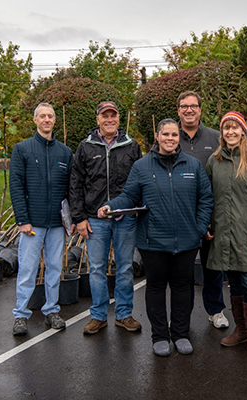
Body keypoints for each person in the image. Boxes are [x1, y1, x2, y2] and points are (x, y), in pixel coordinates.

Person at [98, 119, 213, 357]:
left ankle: (181, 333)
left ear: (178, 137)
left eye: (174, 134)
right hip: (153, 242)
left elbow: (206, 199)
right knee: (156, 288)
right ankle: (160, 336)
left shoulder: (193, 165)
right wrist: (110, 205)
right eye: (166, 134)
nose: (170, 138)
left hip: (187, 241)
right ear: (157, 136)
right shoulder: (142, 167)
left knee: (183, 289)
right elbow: (129, 196)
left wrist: (199, 228)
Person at [70, 101, 143, 335]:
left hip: (124, 218)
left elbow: (140, 182)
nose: (109, 119)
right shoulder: (85, 147)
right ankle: (98, 315)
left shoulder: (132, 146)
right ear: (98, 119)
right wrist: (79, 218)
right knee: (97, 269)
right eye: (105, 116)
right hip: (95, 219)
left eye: (113, 115)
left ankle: (123, 314)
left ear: (119, 119)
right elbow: (76, 185)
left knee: (124, 268)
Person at [205, 111, 247, 355]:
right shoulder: (215, 161)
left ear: (243, 131)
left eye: (235, 128)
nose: (230, 132)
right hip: (224, 234)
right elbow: (210, 197)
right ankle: (241, 331)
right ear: (221, 133)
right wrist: (210, 226)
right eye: (226, 128)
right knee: (234, 284)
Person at [10, 102, 74, 336]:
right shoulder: (23, 149)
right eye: (42, 116)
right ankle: (21, 314)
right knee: (27, 269)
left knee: (55, 267)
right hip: (32, 224)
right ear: (35, 120)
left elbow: (71, 189)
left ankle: (51, 310)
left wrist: (72, 220)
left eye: (50, 116)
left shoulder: (65, 153)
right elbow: (16, 185)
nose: (47, 120)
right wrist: (22, 219)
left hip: (57, 223)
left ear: (54, 121)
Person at [177, 90, 229, 329]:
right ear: (178, 110)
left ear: (200, 109)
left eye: (193, 106)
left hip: (210, 213)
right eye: (184, 106)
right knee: (182, 271)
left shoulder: (215, 138)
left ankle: (215, 310)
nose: (189, 110)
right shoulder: (169, 135)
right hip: (180, 215)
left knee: (213, 265)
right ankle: (182, 315)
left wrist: (213, 216)